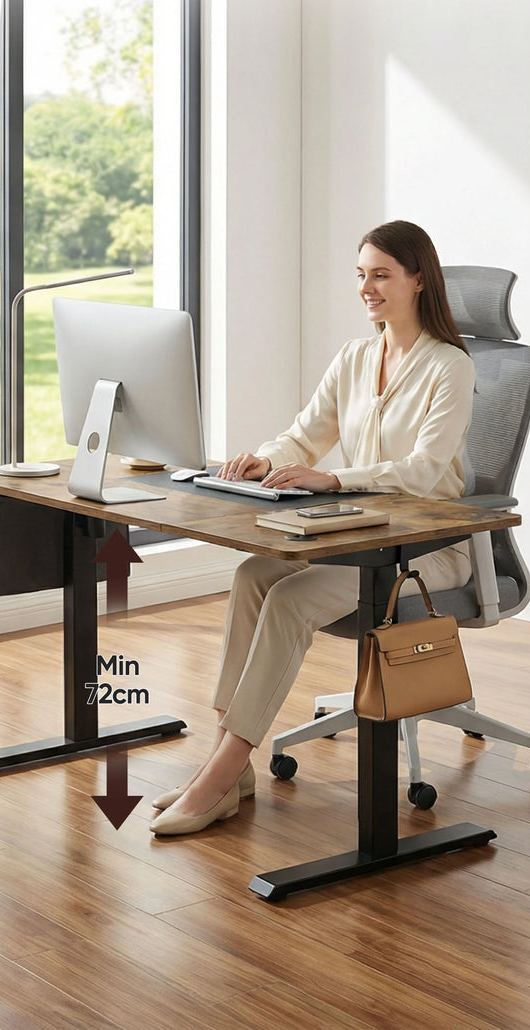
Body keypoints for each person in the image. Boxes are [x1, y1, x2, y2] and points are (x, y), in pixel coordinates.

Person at [150, 220, 475, 836]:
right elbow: (306, 435)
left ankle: (219, 773)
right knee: (253, 574)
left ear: (418, 279)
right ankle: (232, 768)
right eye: (361, 274)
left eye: (380, 274)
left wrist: (334, 480)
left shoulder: (449, 367)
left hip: (425, 552)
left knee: (293, 597)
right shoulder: (355, 357)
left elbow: (428, 471)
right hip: (354, 536)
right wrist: (265, 461)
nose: (367, 288)